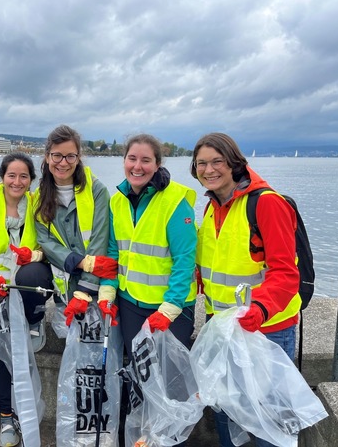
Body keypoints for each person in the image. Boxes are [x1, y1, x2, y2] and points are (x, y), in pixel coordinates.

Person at [191, 132, 300, 447]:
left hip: (266, 330)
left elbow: (285, 273)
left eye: (217, 162)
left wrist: (261, 308)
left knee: (269, 419)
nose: (209, 170)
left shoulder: (267, 204)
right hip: (224, 329)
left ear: (233, 163)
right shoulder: (214, 206)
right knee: (228, 411)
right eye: (201, 164)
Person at [0, 152, 53, 447]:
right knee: (0, 349)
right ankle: (6, 415)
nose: (17, 181)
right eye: (11, 175)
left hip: (26, 279)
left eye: (24, 176)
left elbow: (51, 245)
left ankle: (34, 320)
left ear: (32, 180)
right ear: (2, 177)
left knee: (35, 276)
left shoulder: (39, 204)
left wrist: (36, 256)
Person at [103, 134, 198, 354]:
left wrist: (171, 307)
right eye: (132, 159)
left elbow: (185, 258)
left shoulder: (175, 201)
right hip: (130, 303)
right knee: (138, 372)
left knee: (169, 379)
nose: (138, 166)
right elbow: (112, 251)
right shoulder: (117, 201)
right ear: (124, 161)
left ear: (157, 164)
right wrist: (107, 291)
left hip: (171, 307)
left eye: (146, 160)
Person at [33, 124, 117, 321]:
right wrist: (80, 262)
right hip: (65, 277)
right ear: (47, 157)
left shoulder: (97, 191)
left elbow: (100, 239)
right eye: (57, 156)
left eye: (70, 156)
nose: (63, 163)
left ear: (78, 158)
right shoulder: (39, 197)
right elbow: (45, 241)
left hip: (95, 279)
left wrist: (85, 288)